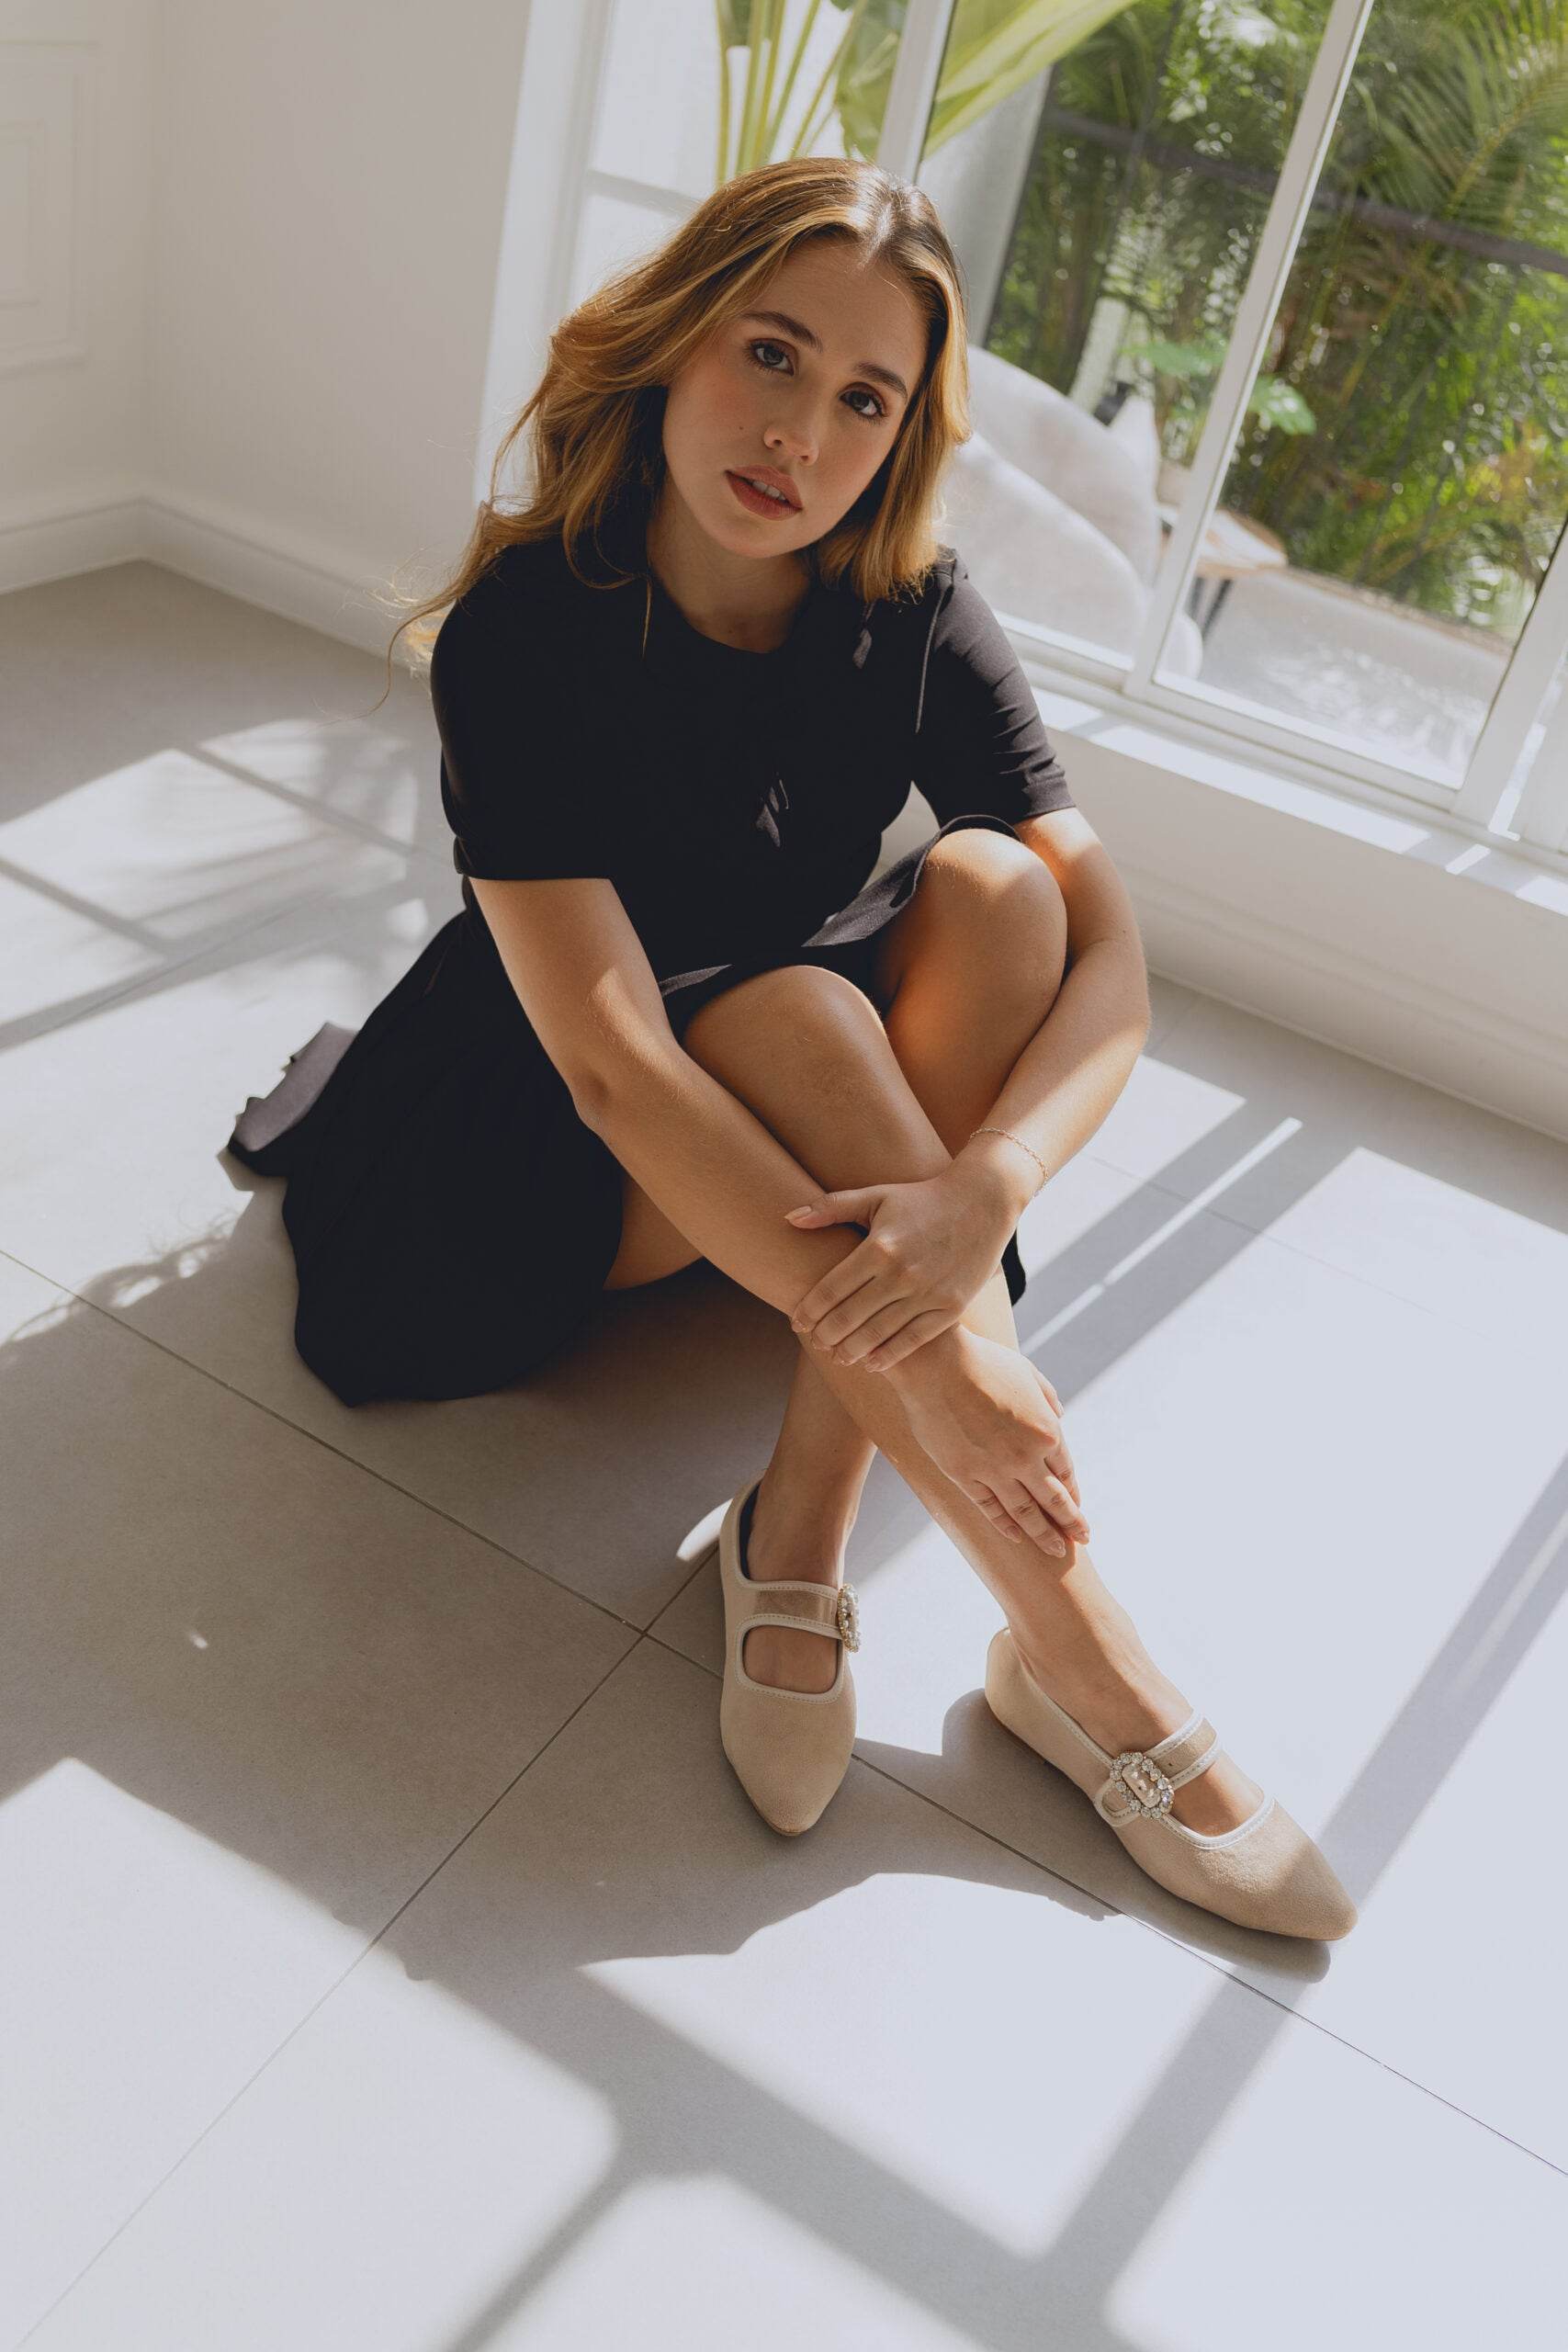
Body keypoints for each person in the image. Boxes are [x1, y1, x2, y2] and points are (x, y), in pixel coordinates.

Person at [226, 158, 1354, 1939]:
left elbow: (1113, 966)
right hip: (527, 1131)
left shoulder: (902, 595)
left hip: (766, 1079)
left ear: (900, 433)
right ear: (672, 342)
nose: (797, 434)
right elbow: (610, 1062)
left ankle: (798, 1528)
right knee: (807, 1006)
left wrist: (978, 1197)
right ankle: (1078, 1652)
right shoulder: (532, 620)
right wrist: (954, 1359)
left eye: (861, 399)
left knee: (996, 891)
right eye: (766, 353)